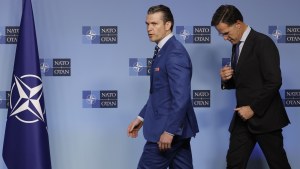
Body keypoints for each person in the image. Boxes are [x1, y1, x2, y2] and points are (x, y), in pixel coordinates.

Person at [211, 5, 291, 169]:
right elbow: (246, 82)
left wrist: (253, 108)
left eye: (226, 33)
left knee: (279, 165)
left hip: (266, 118)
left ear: (238, 24)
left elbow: (274, 81)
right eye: (221, 34)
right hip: (242, 120)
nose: (224, 38)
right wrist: (227, 79)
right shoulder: (236, 45)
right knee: (234, 164)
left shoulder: (263, 42)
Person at [127, 4, 199, 169]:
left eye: (154, 24)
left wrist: (170, 131)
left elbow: (181, 97)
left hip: (166, 132)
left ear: (168, 25)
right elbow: (159, 93)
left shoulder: (174, 53)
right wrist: (141, 117)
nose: (149, 28)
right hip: (175, 131)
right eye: (147, 24)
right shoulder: (163, 50)